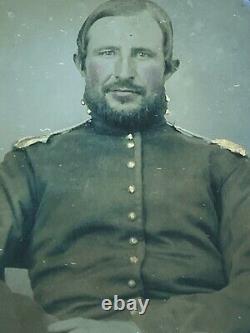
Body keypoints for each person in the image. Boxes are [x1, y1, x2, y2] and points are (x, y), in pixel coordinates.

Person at [1, 0, 250, 332]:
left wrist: (146, 329)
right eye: (106, 53)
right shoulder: (30, 164)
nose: (123, 72)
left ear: (169, 67)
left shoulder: (224, 166)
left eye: (142, 54)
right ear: (81, 64)